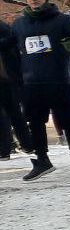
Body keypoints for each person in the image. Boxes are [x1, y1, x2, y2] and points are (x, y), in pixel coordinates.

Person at [11, 0, 70, 181]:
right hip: (31, 83)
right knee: (35, 123)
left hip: (58, 80)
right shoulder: (19, 25)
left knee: (69, 121)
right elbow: (12, 50)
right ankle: (43, 160)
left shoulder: (63, 21)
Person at [0, 18, 34, 160]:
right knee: (13, 113)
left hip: (8, 78)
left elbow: (11, 46)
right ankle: (25, 145)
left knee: (13, 113)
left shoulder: (3, 28)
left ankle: (6, 149)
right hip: (9, 78)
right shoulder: (4, 27)